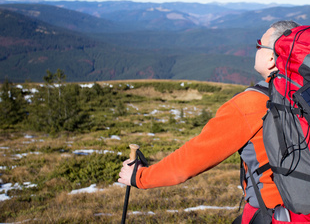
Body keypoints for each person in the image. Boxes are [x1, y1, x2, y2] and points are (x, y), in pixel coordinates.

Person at [118, 20, 300, 223]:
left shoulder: (251, 104)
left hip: (274, 213)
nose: (256, 47)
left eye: (260, 44)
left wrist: (139, 177)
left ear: (272, 59)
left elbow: (191, 159)